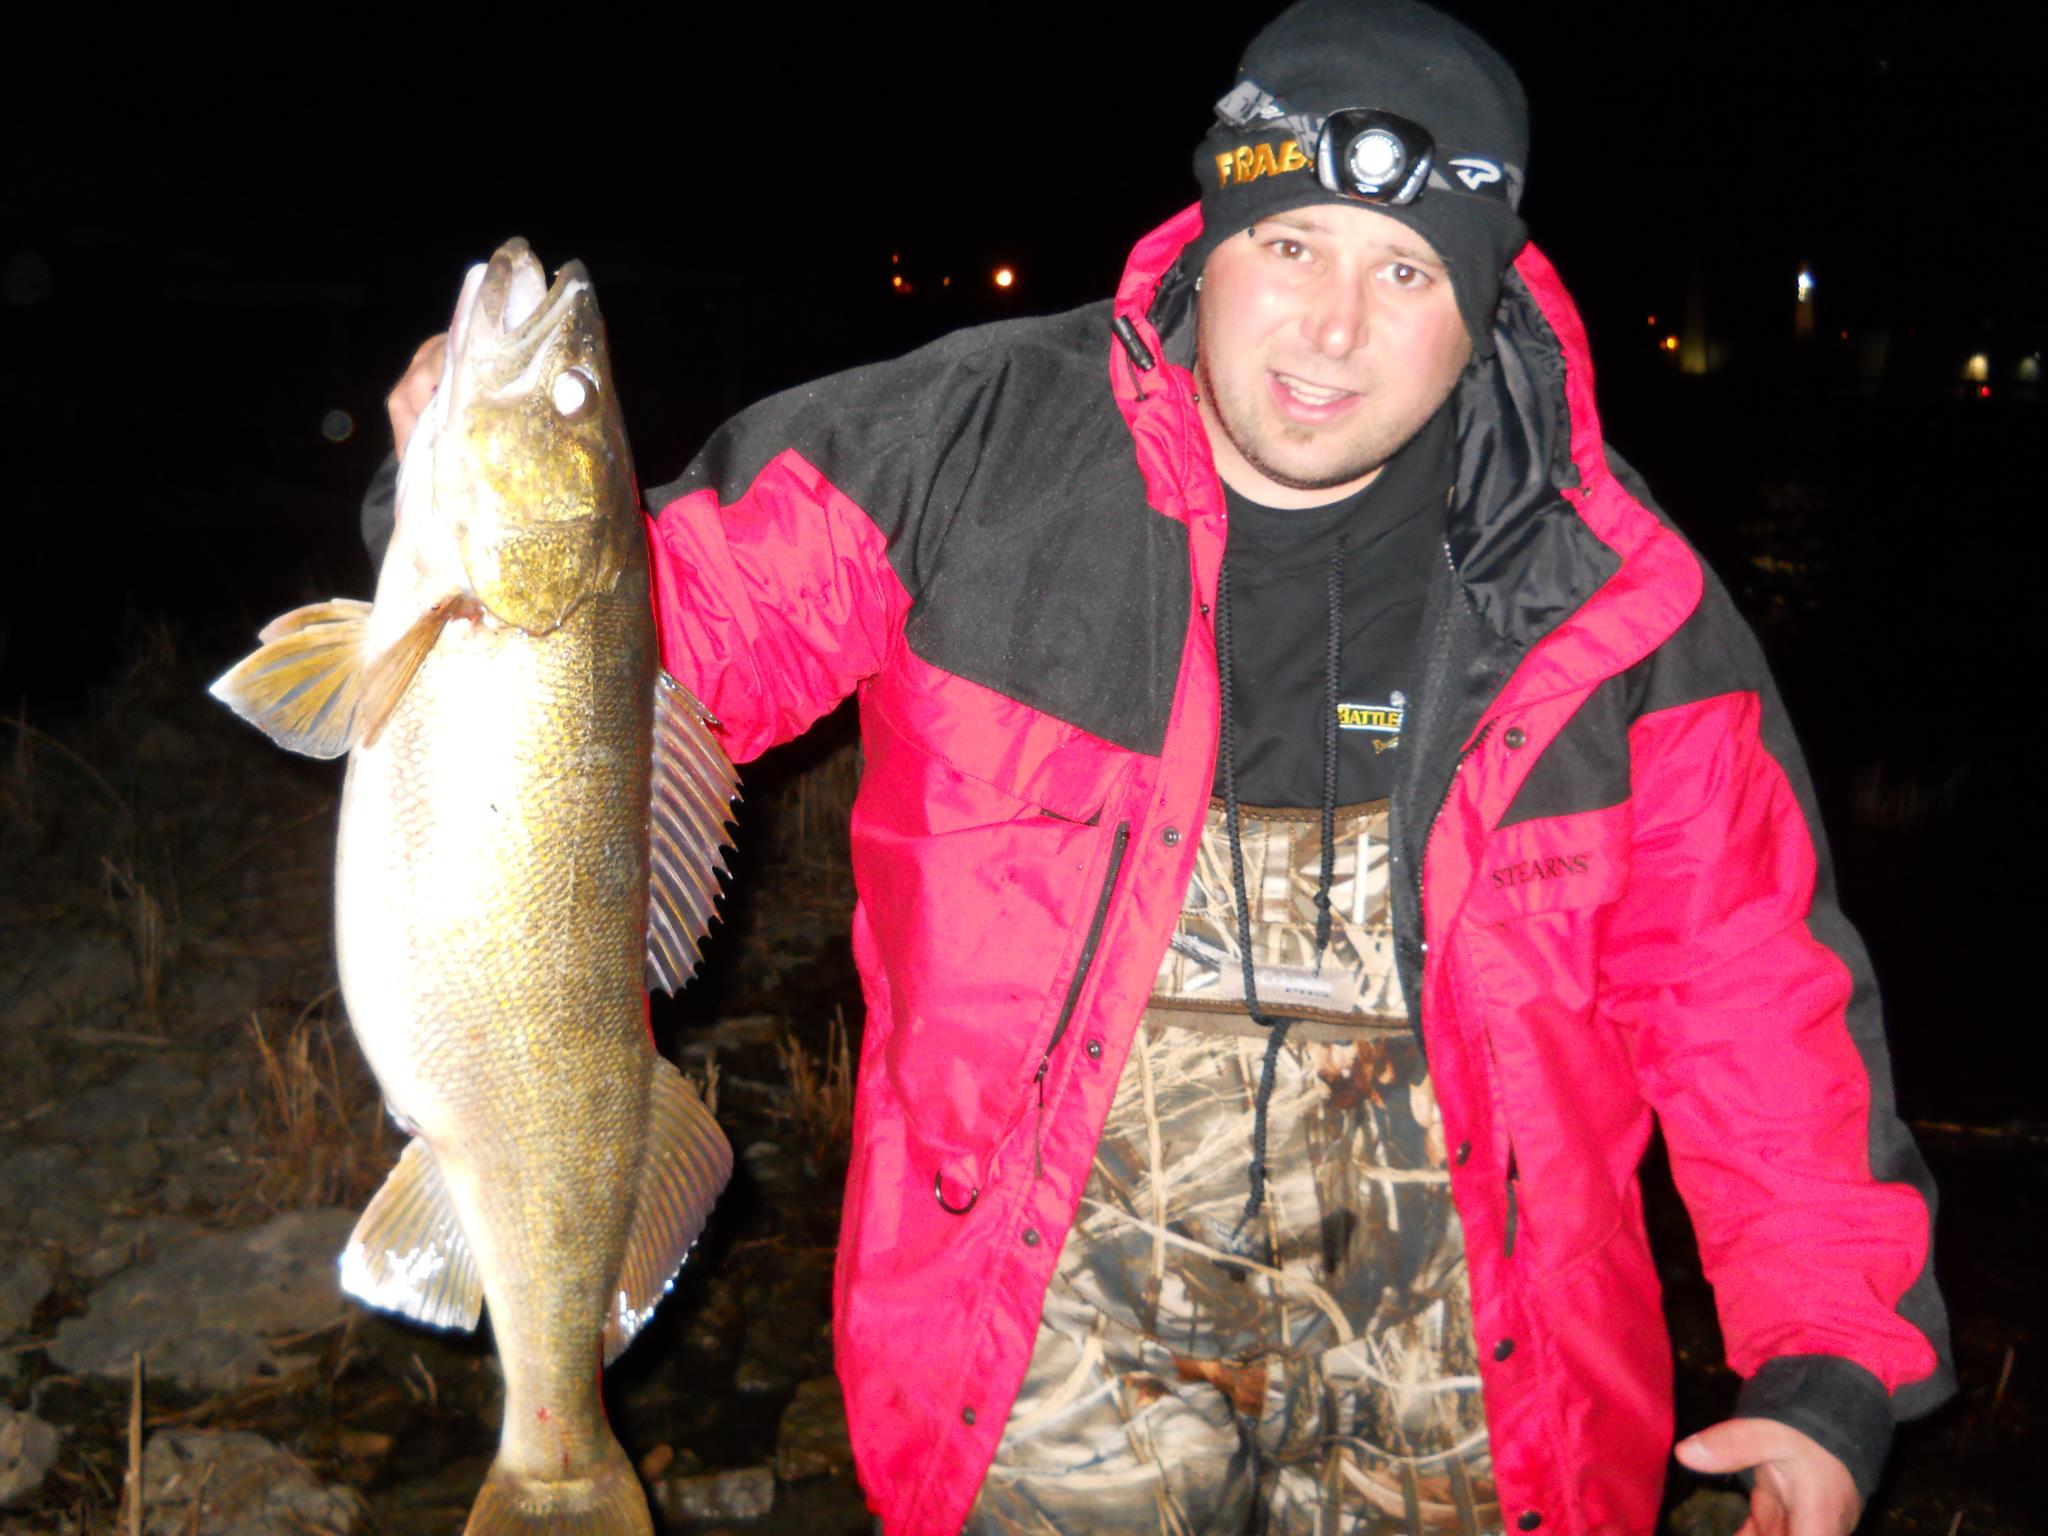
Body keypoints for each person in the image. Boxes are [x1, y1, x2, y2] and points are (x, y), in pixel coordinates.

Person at [380, 4, 1952, 1532]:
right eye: (1291, 248)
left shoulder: (1616, 605)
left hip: (1479, 1449)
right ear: (1211, 241)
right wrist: (441, 515)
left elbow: (1753, 997)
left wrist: (1827, 1360)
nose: (1332, 327)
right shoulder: (965, 446)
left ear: (1488, 304)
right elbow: (628, 634)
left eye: (1404, 270)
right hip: (1036, 1427)